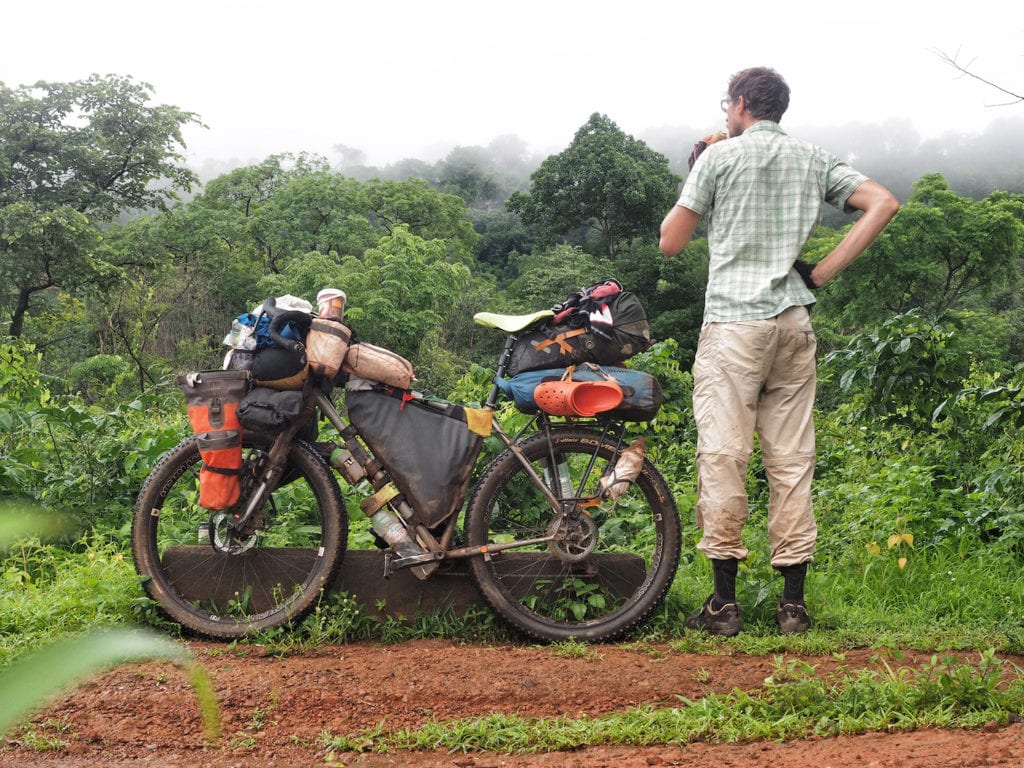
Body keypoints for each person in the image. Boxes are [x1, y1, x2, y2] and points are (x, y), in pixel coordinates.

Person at [659, 66, 899, 636]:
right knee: (790, 460)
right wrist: (819, 274)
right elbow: (883, 203)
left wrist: (697, 176)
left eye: (727, 105)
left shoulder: (718, 158)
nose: (725, 115)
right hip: (793, 322)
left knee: (724, 455)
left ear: (742, 103)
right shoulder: (813, 158)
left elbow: (670, 243)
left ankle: (723, 605)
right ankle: (793, 606)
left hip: (735, 328)